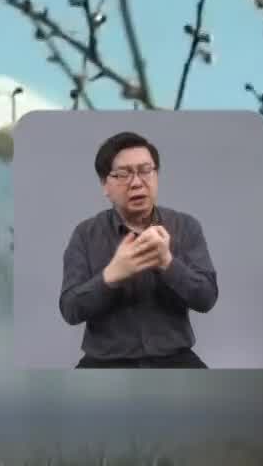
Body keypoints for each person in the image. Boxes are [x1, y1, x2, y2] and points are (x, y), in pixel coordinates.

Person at [57, 131, 219, 368]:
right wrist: (111, 275)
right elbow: (70, 310)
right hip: (105, 362)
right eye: (123, 174)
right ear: (105, 185)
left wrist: (167, 263)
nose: (136, 182)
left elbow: (207, 298)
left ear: (156, 175)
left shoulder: (186, 227)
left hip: (174, 359)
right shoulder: (85, 234)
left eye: (145, 171)